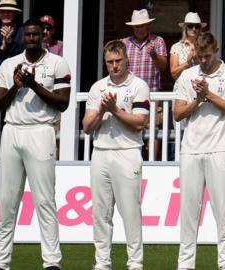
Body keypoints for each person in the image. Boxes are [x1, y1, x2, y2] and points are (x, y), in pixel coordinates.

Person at [0, 18, 71, 270]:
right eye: (28, 35)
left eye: (36, 34)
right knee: (7, 201)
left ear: (44, 36)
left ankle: (52, 262)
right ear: (22, 37)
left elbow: (63, 103)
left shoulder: (57, 63)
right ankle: (0, 261)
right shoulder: (9, 64)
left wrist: (33, 85)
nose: (32, 38)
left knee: (45, 201)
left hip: (41, 131)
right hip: (12, 131)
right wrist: (16, 86)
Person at [174, 31, 225, 270]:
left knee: (223, 211)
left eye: (206, 56)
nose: (202, 61)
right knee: (189, 212)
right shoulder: (187, 75)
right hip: (191, 149)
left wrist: (209, 95)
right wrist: (197, 99)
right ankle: (185, 264)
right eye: (199, 57)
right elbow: (177, 113)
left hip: (221, 149)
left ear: (215, 50)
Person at [83, 40, 149, 270]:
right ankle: (102, 263)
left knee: (130, 211)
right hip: (101, 152)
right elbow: (87, 127)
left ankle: (135, 263)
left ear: (126, 59)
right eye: (110, 62)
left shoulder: (139, 85)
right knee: (101, 213)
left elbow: (140, 122)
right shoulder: (97, 87)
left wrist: (115, 110)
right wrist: (102, 109)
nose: (114, 66)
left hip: (128, 152)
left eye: (118, 60)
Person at [122, 9, 167, 160]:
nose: (140, 29)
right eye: (137, 26)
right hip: (129, 93)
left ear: (148, 26)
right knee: (128, 127)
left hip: (151, 94)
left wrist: (154, 54)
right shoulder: (124, 43)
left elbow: (163, 66)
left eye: (143, 26)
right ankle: (129, 160)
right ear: (132, 27)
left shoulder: (157, 41)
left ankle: (152, 163)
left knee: (152, 129)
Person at [0, 0, 24, 159]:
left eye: (10, 11)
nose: (6, 14)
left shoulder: (24, 32)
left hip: (16, 85)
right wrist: (1, 48)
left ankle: (11, 158)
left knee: (12, 124)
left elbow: (25, 56)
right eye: (3, 11)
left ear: (15, 14)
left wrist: (10, 43)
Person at [170, 12, 206, 80]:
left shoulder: (205, 46)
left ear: (200, 29)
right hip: (182, 86)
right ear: (185, 28)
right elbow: (173, 74)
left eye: (197, 26)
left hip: (200, 86)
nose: (194, 29)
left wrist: (198, 60)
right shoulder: (176, 47)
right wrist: (187, 62)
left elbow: (209, 69)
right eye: (190, 26)